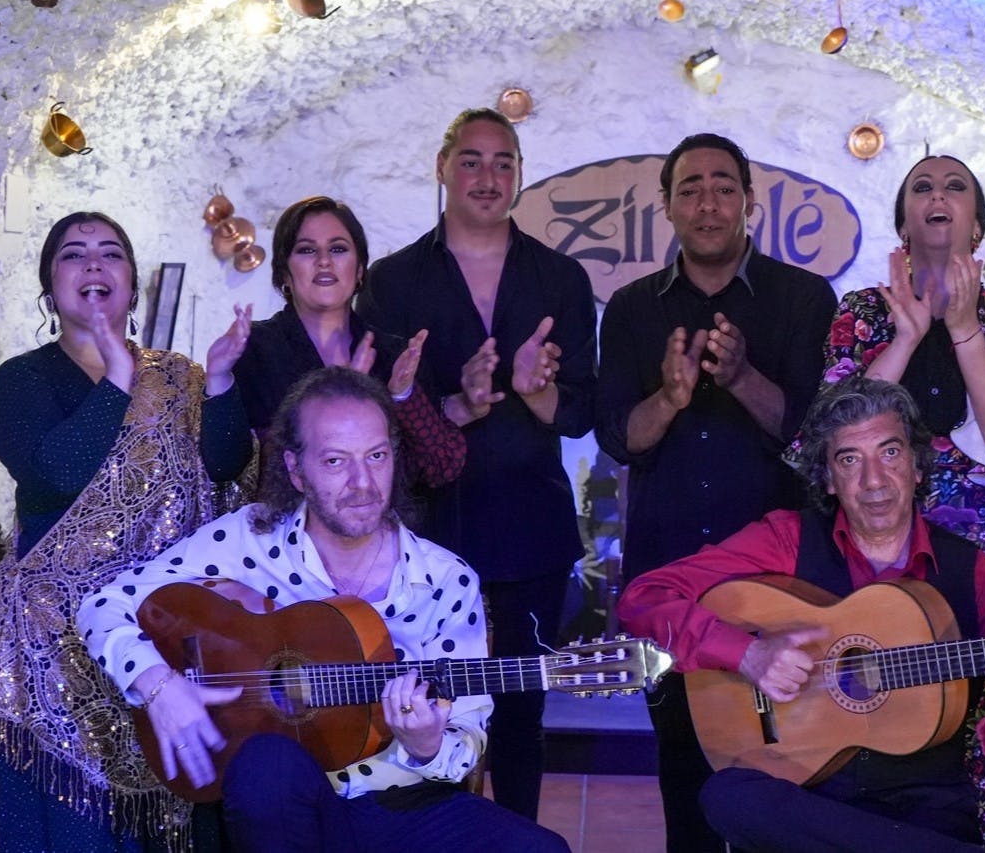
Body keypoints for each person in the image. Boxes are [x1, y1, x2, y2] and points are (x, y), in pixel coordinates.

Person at [77, 367, 570, 853]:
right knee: (267, 764)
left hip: (404, 805)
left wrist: (426, 745)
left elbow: (466, 738)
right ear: (296, 469)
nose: (362, 482)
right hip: (290, 808)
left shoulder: (444, 579)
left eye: (376, 456)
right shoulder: (250, 538)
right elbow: (103, 604)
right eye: (335, 461)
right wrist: (159, 686)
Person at [618, 377, 985, 853]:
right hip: (804, 799)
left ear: (917, 466)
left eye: (890, 453)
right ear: (828, 479)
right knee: (728, 796)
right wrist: (746, 653)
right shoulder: (785, 541)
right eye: (850, 460)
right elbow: (645, 597)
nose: (874, 481)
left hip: (922, 809)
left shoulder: (971, 574)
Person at [0, 211, 253, 852]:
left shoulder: (181, 375)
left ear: (132, 284)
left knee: (175, 797)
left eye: (111, 254)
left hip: (162, 627)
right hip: (52, 641)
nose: (94, 264)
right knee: (81, 824)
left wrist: (219, 381)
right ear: (50, 288)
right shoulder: (20, 381)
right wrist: (119, 377)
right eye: (74, 254)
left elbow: (225, 466)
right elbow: (56, 475)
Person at [595, 133, 836, 852]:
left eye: (723, 186)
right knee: (682, 766)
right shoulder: (634, 308)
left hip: (778, 583)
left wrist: (738, 379)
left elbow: (813, 435)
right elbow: (617, 436)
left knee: (790, 767)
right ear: (667, 205)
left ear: (748, 202)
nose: (708, 202)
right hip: (667, 579)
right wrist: (670, 398)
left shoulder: (802, 298)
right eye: (691, 188)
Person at [355, 108, 596, 820]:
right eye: (471, 160)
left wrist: (534, 390)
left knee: (521, 712)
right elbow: (380, 416)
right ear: (441, 167)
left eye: (502, 162)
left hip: (531, 528)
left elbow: (582, 413)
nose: (487, 177)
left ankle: (518, 838)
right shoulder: (394, 281)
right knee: (420, 705)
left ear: (519, 173)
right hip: (427, 531)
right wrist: (457, 401)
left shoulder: (559, 277)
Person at [815, 154, 985, 848]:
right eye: (921, 186)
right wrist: (908, 332)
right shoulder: (860, 314)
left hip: (982, 562)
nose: (938, 195)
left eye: (955, 187)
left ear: (976, 222)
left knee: (984, 718)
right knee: (876, 706)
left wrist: (959, 324)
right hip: (876, 555)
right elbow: (832, 431)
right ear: (901, 221)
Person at [232, 195, 465, 492]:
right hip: (283, 533)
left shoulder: (395, 355)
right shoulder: (254, 350)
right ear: (283, 274)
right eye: (306, 250)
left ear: (359, 271)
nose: (324, 261)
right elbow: (238, 470)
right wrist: (342, 396)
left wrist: (402, 396)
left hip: (380, 533)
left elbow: (439, 468)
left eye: (338, 249)